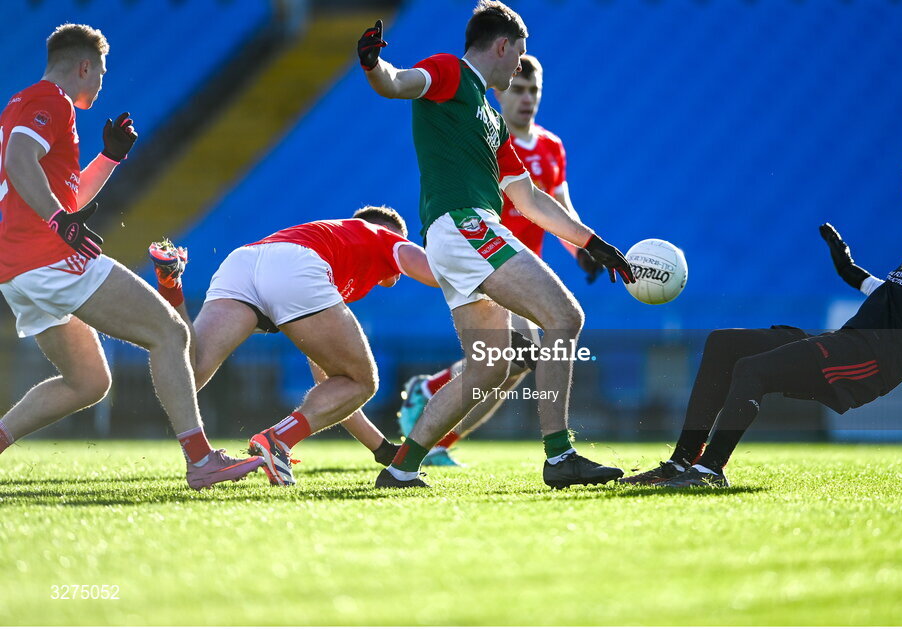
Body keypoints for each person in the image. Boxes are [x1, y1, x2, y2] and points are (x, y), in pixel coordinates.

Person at [358, 0, 635, 489]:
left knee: (491, 368)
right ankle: (559, 456)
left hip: (457, 234)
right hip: (465, 225)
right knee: (565, 317)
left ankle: (401, 468)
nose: (520, 65)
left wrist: (591, 242)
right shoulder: (449, 71)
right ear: (502, 46)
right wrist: (372, 63)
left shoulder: (490, 114)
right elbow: (396, 83)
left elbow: (528, 198)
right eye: (519, 53)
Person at [623, 142, 902, 488]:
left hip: (871, 361)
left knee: (752, 370)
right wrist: (852, 273)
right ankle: (681, 463)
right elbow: (896, 296)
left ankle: (709, 472)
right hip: (848, 342)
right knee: (724, 343)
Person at [0, 24, 263, 489]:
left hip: (18, 268)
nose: (101, 82)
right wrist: (59, 221)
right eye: (100, 71)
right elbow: (20, 161)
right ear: (84, 66)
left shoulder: (27, 103)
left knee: (88, 382)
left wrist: (109, 157)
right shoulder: (51, 101)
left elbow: (64, 190)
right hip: (47, 257)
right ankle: (202, 460)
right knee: (168, 331)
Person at [397, 53, 605, 467]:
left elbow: (557, 206)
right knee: (538, 339)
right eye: (519, 88)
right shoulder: (481, 132)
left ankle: (427, 441)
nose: (526, 98)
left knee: (503, 364)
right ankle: (556, 453)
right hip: (485, 253)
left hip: (513, 262)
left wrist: (581, 249)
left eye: (534, 90)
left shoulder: (550, 147)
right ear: (500, 90)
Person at [149, 206, 439, 486]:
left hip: (242, 262)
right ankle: (277, 441)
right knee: (363, 381)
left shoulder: (337, 249)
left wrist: (383, 450)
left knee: (189, 374)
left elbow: (329, 387)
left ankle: (171, 288)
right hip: (294, 268)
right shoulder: (381, 237)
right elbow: (434, 273)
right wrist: (480, 272)